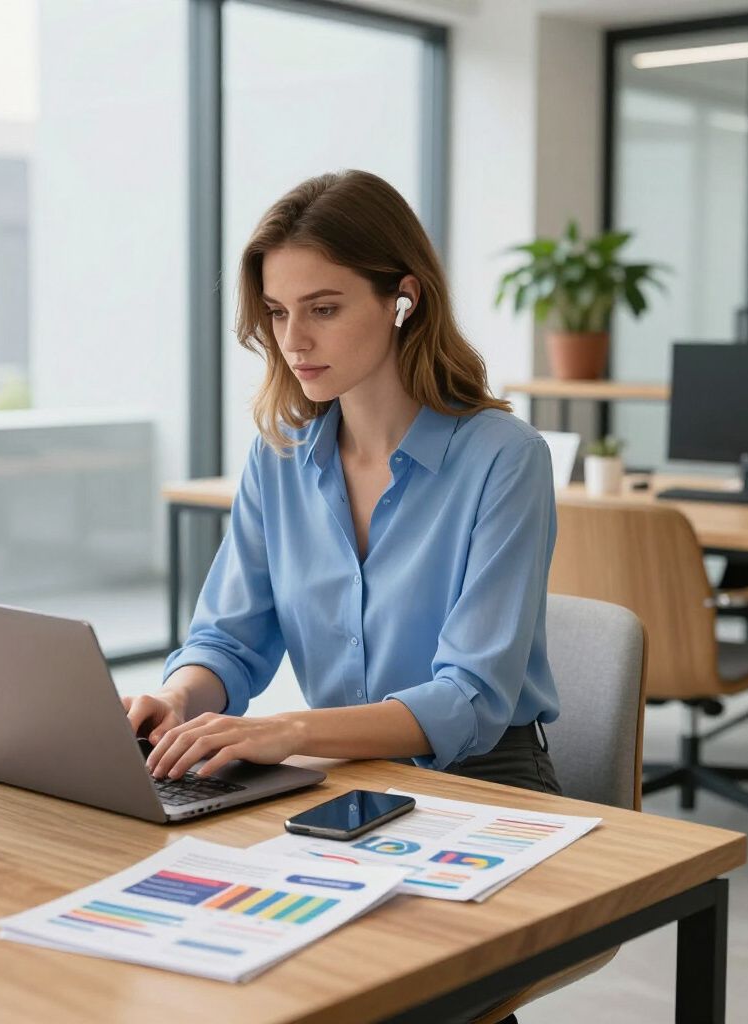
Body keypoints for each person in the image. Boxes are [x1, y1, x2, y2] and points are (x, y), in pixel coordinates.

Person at [125, 169, 561, 795]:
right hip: (343, 778)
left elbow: (470, 696)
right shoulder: (277, 457)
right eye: (278, 312)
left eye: (323, 309)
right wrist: (177, 699)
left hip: (485, 780)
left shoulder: (506, 458)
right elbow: (228, 640)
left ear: (403, 299)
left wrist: (294, 732)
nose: (294, 341)